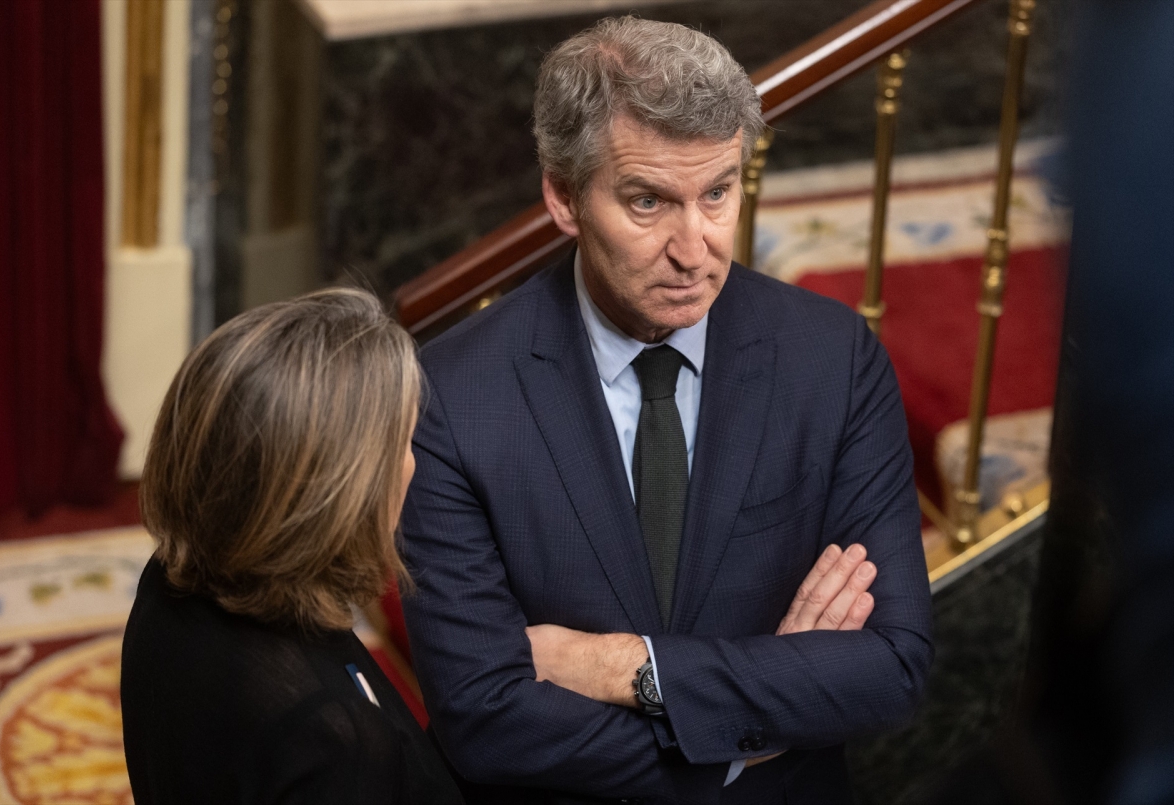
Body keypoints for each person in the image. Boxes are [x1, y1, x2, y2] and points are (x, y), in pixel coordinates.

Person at [399, 16, 933, 805]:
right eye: (649, 202)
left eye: (718, 193)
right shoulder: (452, 395)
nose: (695, 248)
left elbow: (891, 665)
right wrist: (745, 737)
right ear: (563, 195)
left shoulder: (831, 358)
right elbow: (485, 719)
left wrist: (628, 667)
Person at [120, 289, 463, 805]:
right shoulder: (331, 750)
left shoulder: (170, 575)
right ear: (338, 494)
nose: (414, 465)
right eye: (405, 443)